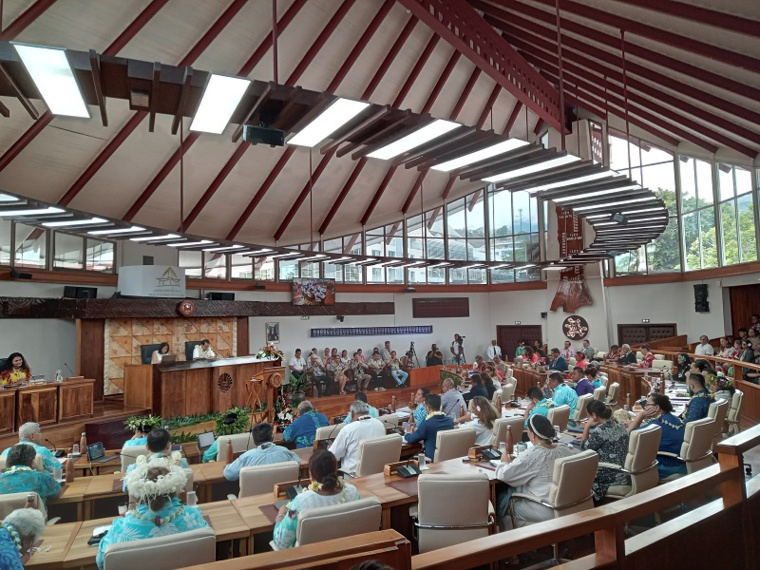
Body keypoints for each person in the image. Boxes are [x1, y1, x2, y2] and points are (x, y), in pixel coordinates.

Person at [97, 462, 208, 569]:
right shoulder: (194, 516)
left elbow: (102, 562)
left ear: (138, 493)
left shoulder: (120, 528)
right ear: (175, 489)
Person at [495, 415, 577, 529]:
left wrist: (505, 462)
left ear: (532, 434)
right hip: (569, 504)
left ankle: (511, 542)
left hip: (546, 508)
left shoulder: (534, 454)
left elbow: (504, 475)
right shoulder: (565, 449)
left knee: (503, 498)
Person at [272, 450, 361, 549]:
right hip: (346, 552)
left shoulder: (300, 503)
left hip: (310, 560)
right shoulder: (353, 492)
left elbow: (281, 543)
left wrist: (281, 514)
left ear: (311, 475)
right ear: (335, 470)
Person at [579, 400, 630, 501]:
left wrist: (587, 426)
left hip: (612, 473)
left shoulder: (601, 430)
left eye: (588, 416)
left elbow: (585, 448)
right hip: (624, 469)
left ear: (594, 415)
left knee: (579, 475)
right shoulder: (616, 422)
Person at [627, 393, 686, 479]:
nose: (645, 408)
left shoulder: (656, 425)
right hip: (681, 464)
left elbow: (630, 435)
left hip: (666, 467)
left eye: (647, 405)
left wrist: (640, 416)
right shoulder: (675, 419)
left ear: (657, 407)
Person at [224, 423, 300, 481]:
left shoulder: (246, 457)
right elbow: (298, 463)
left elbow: (228, 474)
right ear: (272, 437)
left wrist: (228, 464)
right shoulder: (285, 452)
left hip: (252, 500)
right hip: (282, 499)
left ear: (254, 440)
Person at [328, 401, 385, 474]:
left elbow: (333, 456)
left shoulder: (348, 429)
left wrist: (330, 449)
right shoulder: (380, 424)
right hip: (376, 474)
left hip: (353, 477)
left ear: (352, 413)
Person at [124, 428, 188, 491]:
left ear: (147, 447)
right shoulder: (181, 463)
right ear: (168, 446)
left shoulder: (133, 468)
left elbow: (126, 488)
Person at [404, 393, 455, 461]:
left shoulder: (427, 423)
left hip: (430, 460)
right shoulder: (450, 421)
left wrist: (407, 434)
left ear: (428, 407)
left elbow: (412, 439)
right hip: (447, 460)